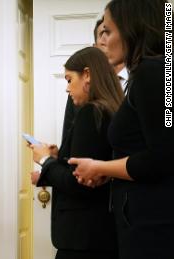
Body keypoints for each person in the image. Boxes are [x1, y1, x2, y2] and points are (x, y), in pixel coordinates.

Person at [70, 1, 174, 258]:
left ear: (130, 29)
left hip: (151, 227)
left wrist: (99, 167)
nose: (101, 41)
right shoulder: (160, 71)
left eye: (107, 31)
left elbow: (161, 160)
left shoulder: (152, 72)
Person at [29, 47, 123, 259]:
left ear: (87, 75)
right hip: (103, 235)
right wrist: (59, 157)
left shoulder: (91, 113)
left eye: (69, 80)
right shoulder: (111, 110)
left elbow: (78, 183)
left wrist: (44, 160)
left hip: (82, 239)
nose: (67, 88)